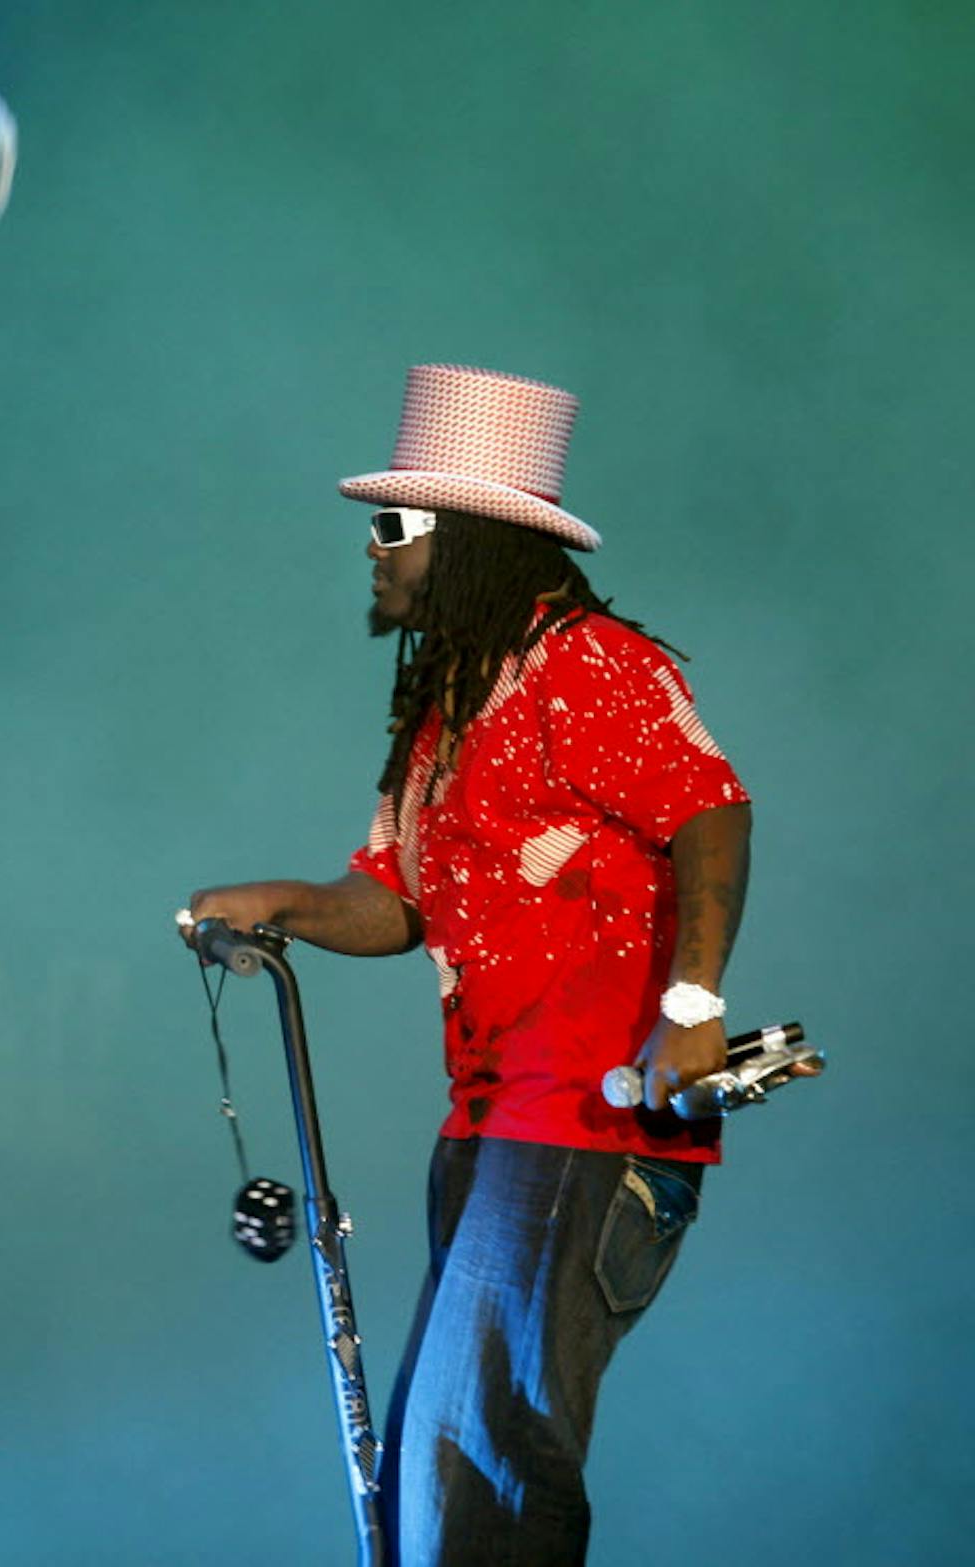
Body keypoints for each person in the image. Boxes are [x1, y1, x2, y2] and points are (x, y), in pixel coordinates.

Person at [184, 364, 755, 1564]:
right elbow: (393, 900)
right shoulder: (452, 709)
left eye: (394, 527)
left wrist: (693, 1003)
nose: (373, 552)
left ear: (476, 538)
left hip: (587, 1121)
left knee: (478, 1471)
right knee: (436, 1476)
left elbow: (711, 811)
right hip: (496, 1127)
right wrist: (282, 904)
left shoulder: (588, 664)